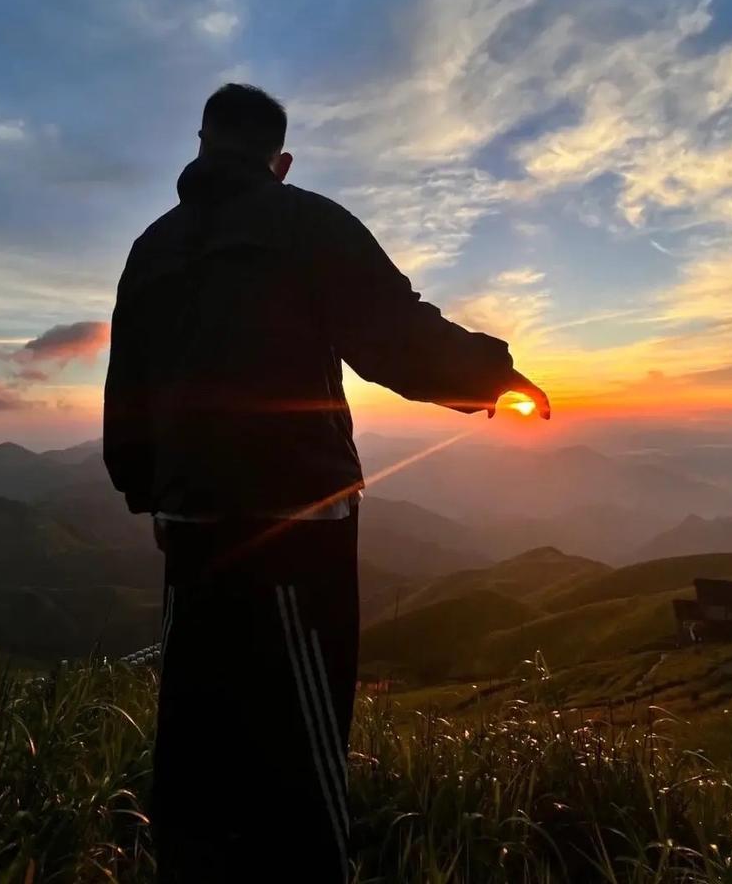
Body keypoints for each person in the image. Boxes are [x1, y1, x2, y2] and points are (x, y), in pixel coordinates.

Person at [103, 83, 550, 882]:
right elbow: (396, 336)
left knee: (197, 734)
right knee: (300, 747)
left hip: (189, 526)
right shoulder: (305, 221)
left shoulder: (152, 246)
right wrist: (495, 376)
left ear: (201, 144)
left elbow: (127, 387)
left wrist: (149, 490)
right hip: (296, 525)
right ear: (280, 160)